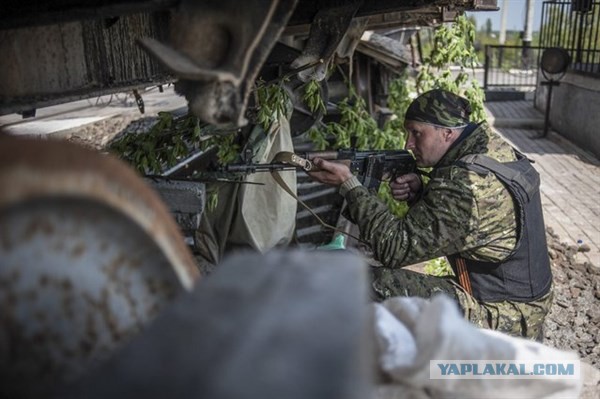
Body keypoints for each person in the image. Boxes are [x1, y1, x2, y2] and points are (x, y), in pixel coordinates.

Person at [307, 89, 553, 341]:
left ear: (447, 133)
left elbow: (394, 249)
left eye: (416, 133)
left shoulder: (467, 184)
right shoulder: (490, 148)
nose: (408, 144)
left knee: (368, 282)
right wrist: (421, 196)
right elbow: (459, 226)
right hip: (520, 302)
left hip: (504, 317)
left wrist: (350, 186)